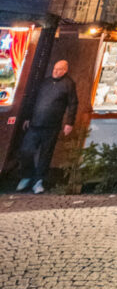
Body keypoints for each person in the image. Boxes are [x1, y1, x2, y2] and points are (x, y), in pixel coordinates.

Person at [17, 59, 77, 194]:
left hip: (52, 125)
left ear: (65, 70)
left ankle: (38, 181)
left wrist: (69, 122)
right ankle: (27, 175)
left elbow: (73, 104)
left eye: (59, 69)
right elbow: (33, 99)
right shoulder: (45, 82)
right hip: (35, 123)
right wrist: (27, 116)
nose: (55, 71)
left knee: (45, 154)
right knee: (26, 150)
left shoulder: (68, 84)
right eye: (54, 68)